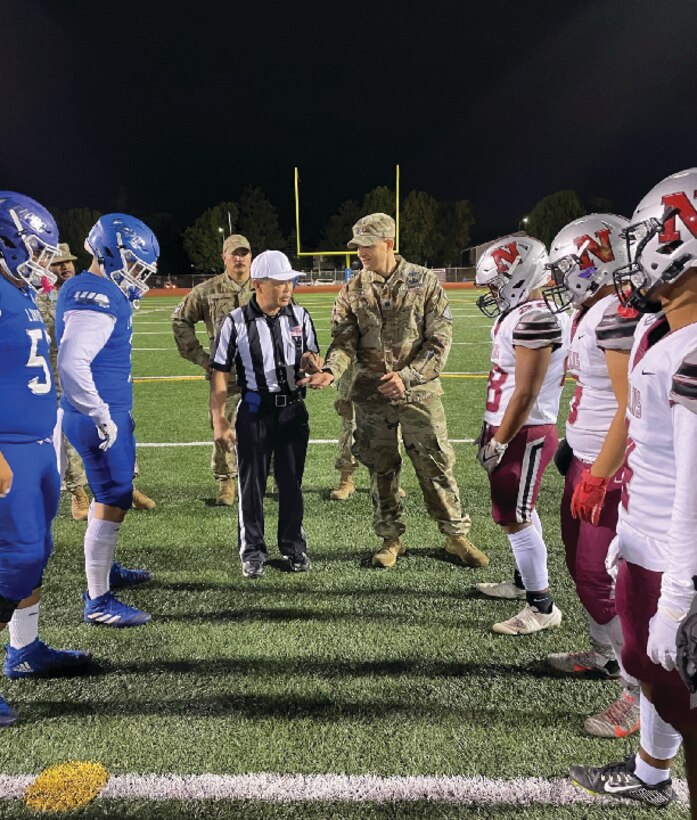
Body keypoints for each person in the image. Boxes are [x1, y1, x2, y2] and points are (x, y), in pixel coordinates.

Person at [569, 169, 697, 809]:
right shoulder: (665, 328)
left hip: (679, 561)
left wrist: (677, 595)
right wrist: (628, 529)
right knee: (654, 678)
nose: (635, 256)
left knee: (686, 701)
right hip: (650, 542)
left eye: (649, 237)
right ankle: (650, 776)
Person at [300, 213, 487, 570]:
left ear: (389, 243)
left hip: (419, 393)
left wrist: (409, 375)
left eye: (367, 246)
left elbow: (439, 339)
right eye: (357, 247)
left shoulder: (424, 282)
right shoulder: (352, 289)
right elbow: (344, 341)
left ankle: (455, 536)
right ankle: (391, 538)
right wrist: (329, 370)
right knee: (380, 468)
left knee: (435, 462)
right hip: (371, 397)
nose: (361, 254)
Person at [541, 214, 641, 738]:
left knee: (603, 576)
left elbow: (631, 406)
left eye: (566, 268)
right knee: (584, 573)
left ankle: (637, 691)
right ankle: (605, 655)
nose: (558, 280)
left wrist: (599, 473)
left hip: (612, 467)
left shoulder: (619, 312)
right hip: (585, 457)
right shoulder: (591, 309)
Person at [0, 193, 89, 724]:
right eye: (33, 249)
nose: (42, 260)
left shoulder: (20, 290)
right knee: (13, 559)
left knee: (35, 553)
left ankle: (25, 649)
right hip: (7, 446)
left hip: (36, 443)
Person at [56, 213, 160, 627]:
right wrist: (100, 413)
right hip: (96, 415)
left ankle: (104, 569)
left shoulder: (95, 288)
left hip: (103, 410)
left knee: (111, 497)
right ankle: (98, 599)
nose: (137, 277)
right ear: (109, 252)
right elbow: (71, 361)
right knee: (113, 499)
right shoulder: (93, 292)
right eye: (133, 265)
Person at [473, 235, 569, 635]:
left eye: (497, 283)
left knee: (514, 517)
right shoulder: (523, 313)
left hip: (525, 430)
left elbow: (527, 391)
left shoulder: (535, 317)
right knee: (520, 511)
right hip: (511, 425)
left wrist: (500, 439)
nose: (493, 293)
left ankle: (541, 606)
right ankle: (521, 583)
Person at [210, 250, 319, 579]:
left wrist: (313, 365)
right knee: (252, 484)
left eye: (290, 282)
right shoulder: (235, 321)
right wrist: (219, 420)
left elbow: (312, 354)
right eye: (280, 282)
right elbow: (219, 372)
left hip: (293, 411)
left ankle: (293, 545)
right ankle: (253, 550)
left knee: (291, 483)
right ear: (258, 285)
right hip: (256, 410)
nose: (288, 288)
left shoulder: (300, 316)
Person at [172, 234, 254, 506]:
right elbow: (180, 320)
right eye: (234, 253)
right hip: (225, 376)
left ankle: (273, 477)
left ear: (251, 256)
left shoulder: (264, 285)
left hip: (261, 375)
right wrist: (200, 357)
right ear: (224, 257)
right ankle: (226, 481)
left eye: (244, 252)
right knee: (223, 427)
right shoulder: (207, 290)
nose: (239, 258)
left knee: (269, 424)